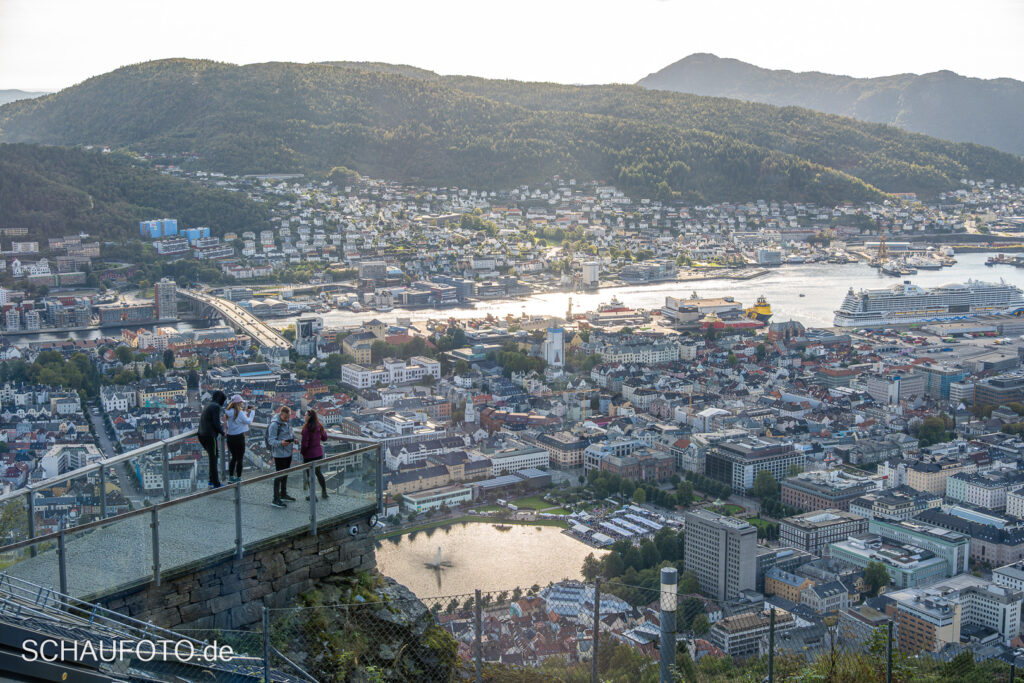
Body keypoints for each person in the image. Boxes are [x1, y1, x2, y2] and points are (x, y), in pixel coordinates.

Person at [267, 405, 296, 508]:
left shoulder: (287, 421)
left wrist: (294, 438)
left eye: (288, 417)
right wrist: (281, 443)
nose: (287, 419)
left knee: (285, 474)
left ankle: (283, 494)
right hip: (279, 454)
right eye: (285, 417)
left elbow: (290, 432)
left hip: (288, 452)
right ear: (281, 414)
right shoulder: (274, 425)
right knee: (279, 476)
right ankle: (275, 498)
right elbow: (271, 441)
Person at [300, 409, 332, 500]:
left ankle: (313, 496)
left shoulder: (306, 429)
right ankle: (324, 492)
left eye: (306, 415)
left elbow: (305, 444)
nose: (304, 416)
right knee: (318, 473)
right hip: (318, 453)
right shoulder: (319, 426)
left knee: (310, 475)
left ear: (310, 417)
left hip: (309, 455)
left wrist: (302, 452)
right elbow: (325, 438)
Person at [198, 390, 227, 489]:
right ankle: (216, 483)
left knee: (212, 457)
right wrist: (223, 433)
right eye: (223, 401)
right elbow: (216, 422)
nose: (223, 404)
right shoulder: (216, 407)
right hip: (210, 436)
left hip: (202, 434)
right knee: (214, 459)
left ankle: (211, 481)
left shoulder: (208, 405)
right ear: (220, 400)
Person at [224, 394, 254, 484]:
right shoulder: (239, 413)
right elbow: (248, 421)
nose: (242, 404)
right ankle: (239, 477)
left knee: (233, 458)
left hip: (230, 437)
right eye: (241, 402)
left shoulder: (228, 412)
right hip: (239, 437)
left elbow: (238, 418)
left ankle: (231, 477)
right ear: (238, 403)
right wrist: (252, 412)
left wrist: (245, 412)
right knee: (239, 458)